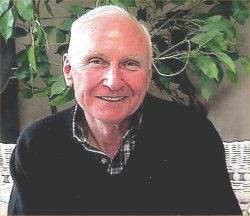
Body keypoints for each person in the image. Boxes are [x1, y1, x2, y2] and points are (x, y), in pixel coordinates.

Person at [8, 5, 241, 215]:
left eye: (130, 64)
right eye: (96, 61)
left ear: (148, 75)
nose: (114, 81)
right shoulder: (37, 146)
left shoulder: (192, 136)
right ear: (68, 71)